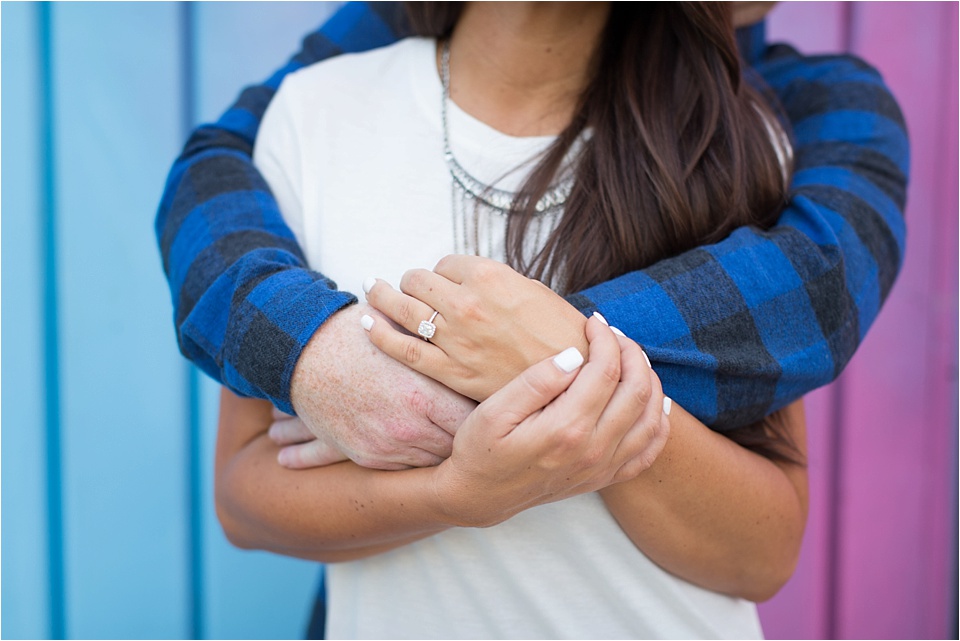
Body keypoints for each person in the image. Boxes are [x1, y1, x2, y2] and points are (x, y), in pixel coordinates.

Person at [216, 3, 812, 637]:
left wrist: (554, 364)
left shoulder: (728, 142)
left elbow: (762, 556)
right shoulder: (315, 116)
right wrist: (455, 495)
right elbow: (244, 500)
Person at [156, 1, 907, 472]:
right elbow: (219, 162)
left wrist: (504, 363)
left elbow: (817, 287)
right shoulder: (373, 69)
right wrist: (309, 348)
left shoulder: (789, 118)